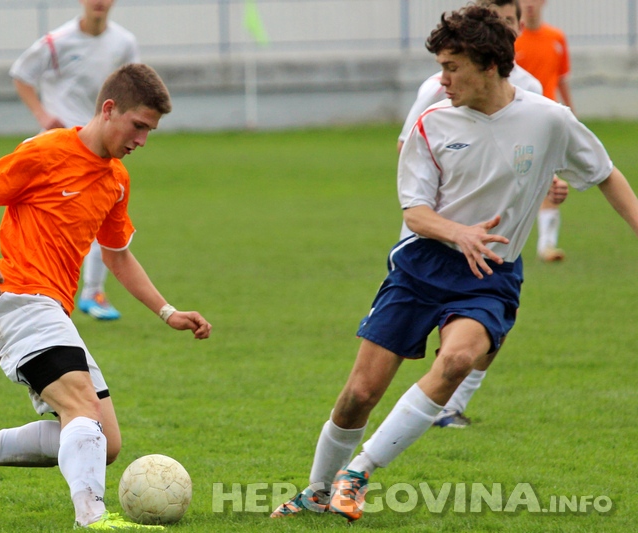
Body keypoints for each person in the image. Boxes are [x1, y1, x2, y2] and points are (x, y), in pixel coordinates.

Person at [271, 5, 638, 524]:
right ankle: (315, 490)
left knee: (460, 359)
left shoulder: (549, 118)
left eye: (452, 67)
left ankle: (360, 471)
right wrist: (458, 231)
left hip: (490, 274)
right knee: (359, 393)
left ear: (489, 65)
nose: (441, 80)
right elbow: (415, 212)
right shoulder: (432, 121)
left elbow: (604, 173)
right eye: (440, 67)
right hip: (421, 266)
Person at [0, 64, 212, 530]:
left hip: (53, 311)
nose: (142, 140)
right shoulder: (44, 151)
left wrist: (167, 312)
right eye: (138, 126)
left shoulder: (116, 180)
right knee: (82, 408)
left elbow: (118, 257)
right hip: (19, 299)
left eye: (150, 131)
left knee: (104, 444)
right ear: (109, 109)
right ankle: (92, 517)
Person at [397, 0, 569, 430]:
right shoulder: (439, 87)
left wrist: (545, 181)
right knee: (431, 338)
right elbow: (411, 147)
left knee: (490, 333)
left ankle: (449, 405)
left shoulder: (526, 86)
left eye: (512, 22)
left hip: (498, 238)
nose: (510, 29)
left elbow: (524, 150)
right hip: (432, 238)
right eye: (501, 22)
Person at [10, 0, 140, 320]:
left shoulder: (124, 43)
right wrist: (42, 113)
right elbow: (21, 74)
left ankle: (92, 291)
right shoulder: (57, 42)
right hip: (58, 147)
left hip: (99, 147)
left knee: (99, 216)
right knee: (44, 219)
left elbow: (135, 87)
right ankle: (34, 287)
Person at [515, 0, 574, 262]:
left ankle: (546, 245)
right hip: (517, 121)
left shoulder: (556, 38)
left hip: (547, 120)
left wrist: (572, 114)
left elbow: (560, 78)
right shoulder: (513, 41)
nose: (529, 5)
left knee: (549, 177)